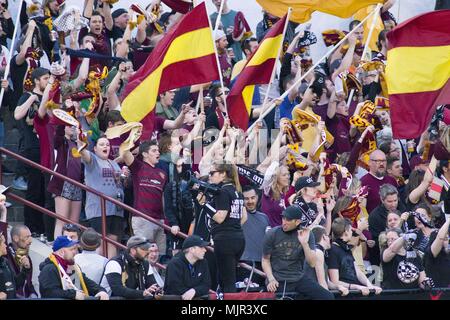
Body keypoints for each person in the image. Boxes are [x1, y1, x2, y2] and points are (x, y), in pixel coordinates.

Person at [262, 206, 334, 300]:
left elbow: (312, 263)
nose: (284, 222)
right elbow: (265, 260)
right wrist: (271, 279)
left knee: (328, 297)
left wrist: (304, 243)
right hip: (277, 278)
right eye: (283, 218)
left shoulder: (307, 234)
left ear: (297, 222)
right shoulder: (272, 234)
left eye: (288, 219)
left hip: (298, 278)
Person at [78, 135, 126, 258]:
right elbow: (83, 152)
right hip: (99, 209)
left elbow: (121, 183)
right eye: (102, 144)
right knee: (100, 241)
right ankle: (98, 268)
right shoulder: (93, 160)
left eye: (107, 144)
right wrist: (79, 139)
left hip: (116, 209)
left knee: (113, 241)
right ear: (95, 149)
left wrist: (125, 175)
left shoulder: (114, 163)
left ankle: (111, 270)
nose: (106, 146)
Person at [207, 162, 247, 293]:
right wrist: (232, 227)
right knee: (225, 279)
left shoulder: (222, 191)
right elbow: (244, 217)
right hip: (238, 239)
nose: (210, 176)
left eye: (212, 173)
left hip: (225, 240)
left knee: (228, 283)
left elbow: (220, 217)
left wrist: (203, 205)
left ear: (223, 174)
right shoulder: (238, 192)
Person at [122, 140, 168, 255]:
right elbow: (125, 153)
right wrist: (132, 136)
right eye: (154, 150)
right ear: (145, 154)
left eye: (158, 150)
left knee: (159, 256)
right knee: (143, 254)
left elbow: (162, 196)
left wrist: (164, 218)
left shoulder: (162, 173)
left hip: (159, 220)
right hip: (142, 217)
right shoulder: (138, 167)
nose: (158, 153)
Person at [38, 236, 109, 300]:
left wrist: (101, 291)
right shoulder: (49, 269)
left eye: (76, 249)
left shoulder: (71, 267)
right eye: (72, 249)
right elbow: (49, 293)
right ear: (62, 252)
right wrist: (73, 294)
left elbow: (87, 283)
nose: (76, 252)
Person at [328, 218, 382, 296]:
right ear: (346, 232)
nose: (352, 232)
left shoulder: (346, 248)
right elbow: (334, 282)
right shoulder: (333, 250)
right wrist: (356, 287)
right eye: (350, 230)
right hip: (344, 294)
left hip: (354, 292)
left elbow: (358, 272)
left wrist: (370, 286)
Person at [368, 184, 407, 266]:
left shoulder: (402, 207)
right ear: (382, 200)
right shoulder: (374, 216)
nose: (393, 204)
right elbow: (379, 241)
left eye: (395, 200)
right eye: (389, 201)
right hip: (385, 258)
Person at [239, 185, 269, 286]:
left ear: (257, 197)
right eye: (246, 198)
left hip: (262, 264)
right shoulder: (237, 216)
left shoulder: (264, 217)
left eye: (252, 197)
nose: (250, 201)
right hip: (244, 264)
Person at [164, 235, 211, 300]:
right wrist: (194, 291)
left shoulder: (203, 262)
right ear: (191, 249)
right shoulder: (174, 264)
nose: (205, 250)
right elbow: (174, 288)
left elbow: (206, 285)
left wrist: (194, 291)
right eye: (201, 247)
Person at [311, 226, 349, 296]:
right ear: (324, 237)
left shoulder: (320, 252)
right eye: (328, 236)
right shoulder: (318, 252)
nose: (329, 239)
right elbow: (322, 283)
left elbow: (327, 282)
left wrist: (338, 286)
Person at [6, 224, 37, 298]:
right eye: (27, 237)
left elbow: (28, 283)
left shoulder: (27, 257)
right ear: (15, 238)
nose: (30, 241)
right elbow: (13, 284)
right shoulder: (6, 256)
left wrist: (33, 294)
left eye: (30, 236)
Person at [424, 217, 450, 288]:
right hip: (437, 293)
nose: (446, 241)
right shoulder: (430, 254)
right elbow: (440, 238)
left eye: (447, 238)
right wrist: (449, 219)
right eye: (445, 238)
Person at [0, 231, 17, 299]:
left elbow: (15, 284)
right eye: (3, 243)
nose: (6, 245)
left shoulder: (5, 262)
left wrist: (25, 269)